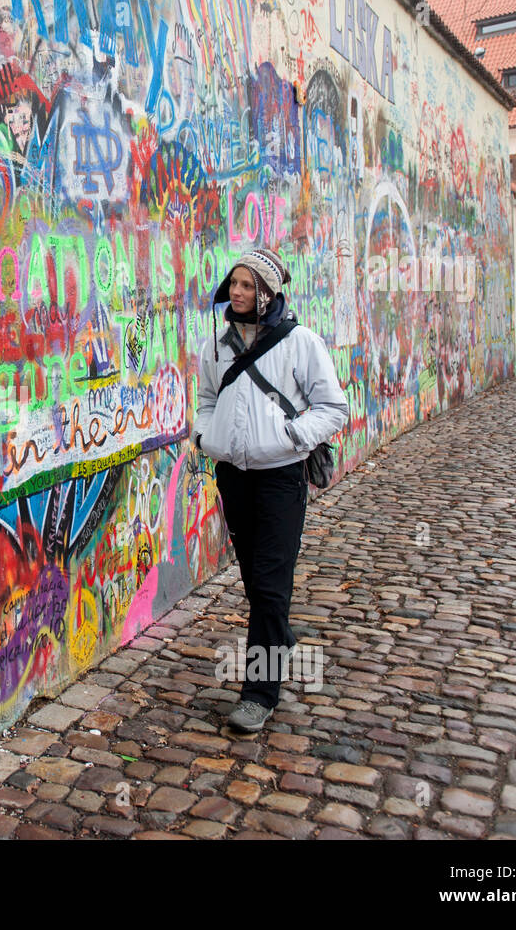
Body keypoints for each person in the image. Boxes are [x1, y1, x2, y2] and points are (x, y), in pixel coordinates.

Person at [191, 249, 349, 732]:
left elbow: (333, 407)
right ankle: (278, 639)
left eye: (247, 285)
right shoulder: (217, 345)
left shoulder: (300, 342)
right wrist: (204, 436)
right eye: (233, 284)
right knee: (256, 580)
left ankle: (259, 694)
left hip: (281, 476)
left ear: (267, 292)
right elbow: (205, 398)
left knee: (272, 580)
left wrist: (293, 438)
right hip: (233, 475)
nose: (237, 293)